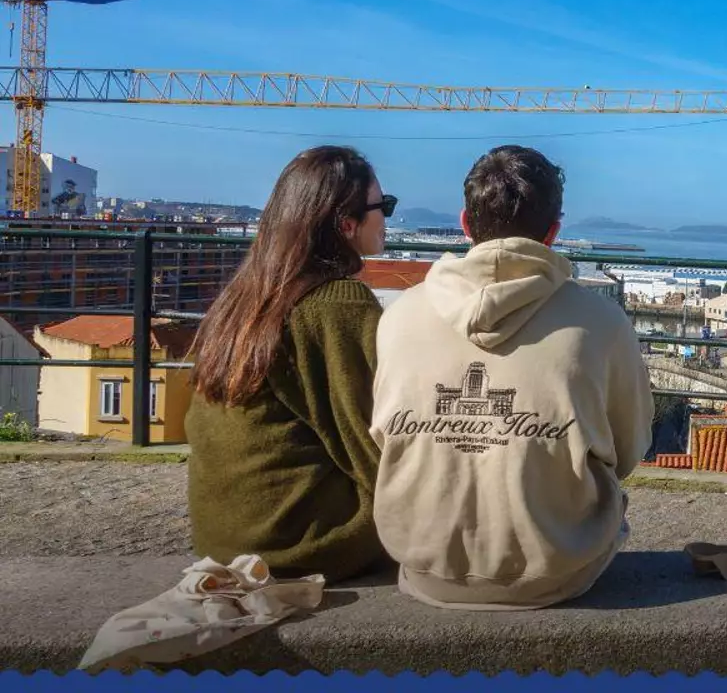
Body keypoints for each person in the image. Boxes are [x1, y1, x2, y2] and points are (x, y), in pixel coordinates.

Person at [369, 145, 653, 610]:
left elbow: (384, 438)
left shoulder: (400, 316)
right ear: (553, 232)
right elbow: (628, 448)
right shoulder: (601, 323)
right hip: (559, 568)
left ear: (465, 223)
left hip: (425, 566)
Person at [185, 145, 396, 582]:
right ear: (347, 224)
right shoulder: (338, 304)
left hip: (224, 538)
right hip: (295, 542)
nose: (387, 218)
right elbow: (371, 444)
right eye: (384, 207)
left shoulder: (244, 296)